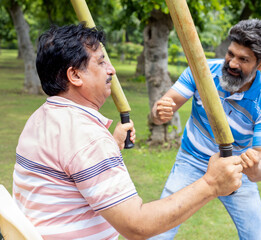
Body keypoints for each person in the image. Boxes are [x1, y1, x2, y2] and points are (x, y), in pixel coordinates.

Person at [12, 23, 243, 240]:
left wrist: (109, 145)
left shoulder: (41, 117)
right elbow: (137, 225)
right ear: (75, 75)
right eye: (101, 62)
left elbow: (68, 166)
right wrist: (212, 183)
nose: (111, 70)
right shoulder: (88, 139)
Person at [150, 19, 261, 239]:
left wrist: (253, 167)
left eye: (244, 59)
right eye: (231, 54)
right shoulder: (201, 72)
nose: (232, 64)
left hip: (236, 169)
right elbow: (162, 109)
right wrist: (159, 112)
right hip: (191, 160)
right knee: (158, 231)